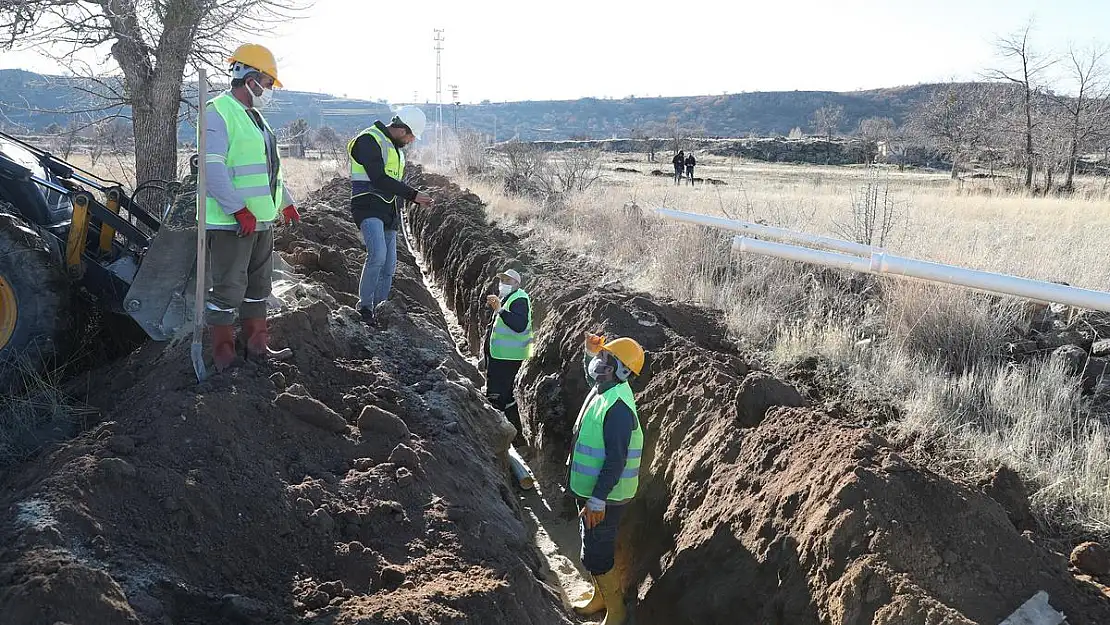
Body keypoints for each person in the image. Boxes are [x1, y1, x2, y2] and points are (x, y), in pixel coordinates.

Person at [203, 43, 299, 372]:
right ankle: (223, 355)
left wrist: (285, 203)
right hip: (232, 222)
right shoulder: (218, 111)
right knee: (229, 288)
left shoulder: (256, 118)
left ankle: (258, 346)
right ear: (251, 78)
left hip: (261, 221)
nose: (269, 91)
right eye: (268, 83)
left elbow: (268, 170)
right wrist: (237, 209)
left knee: (259, 286)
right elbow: (212, 167)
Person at [568, 332, 646, 625]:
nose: (599, 363)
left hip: (607, 497)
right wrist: (590, 353)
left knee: (598, 553)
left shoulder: (619, 409)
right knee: (591, 543)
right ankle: (600, 597)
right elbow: (592, 380)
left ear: (621, 369)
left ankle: (616, 612)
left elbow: (616, 460)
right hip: (595, 491)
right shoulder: (607, 386)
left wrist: (598, 499)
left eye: (605, 359)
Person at [348, 107, 435, 326]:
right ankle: (365, 308)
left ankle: (381, 308)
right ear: (402, 129)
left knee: (389, 265)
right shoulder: (368, 140)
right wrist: (414, 195)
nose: (411, 141)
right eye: (411, 136)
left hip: (388, 209)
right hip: (367, 205)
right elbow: (378, 178)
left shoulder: (395, 149)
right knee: (377, 255)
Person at [482, 268, 533, 432]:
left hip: (509, 358)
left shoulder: (520, 299)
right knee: (499, 394)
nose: (503, 284)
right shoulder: (506, 298)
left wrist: (500, 310)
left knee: (501, 397)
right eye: (502, 280)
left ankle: (502, 433)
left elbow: (519, 325)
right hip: (500, 356)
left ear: (517, 284)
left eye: (508, 281)